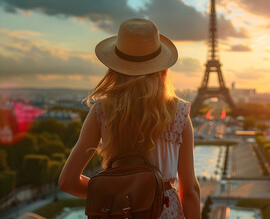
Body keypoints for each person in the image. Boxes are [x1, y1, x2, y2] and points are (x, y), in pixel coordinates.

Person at [59, 18, 201, 218]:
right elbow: (190, 191)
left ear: (114, 67)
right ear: (163, 68)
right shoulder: (179, 114)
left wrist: (118, 192)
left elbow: (67, 182)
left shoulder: (101, 111)